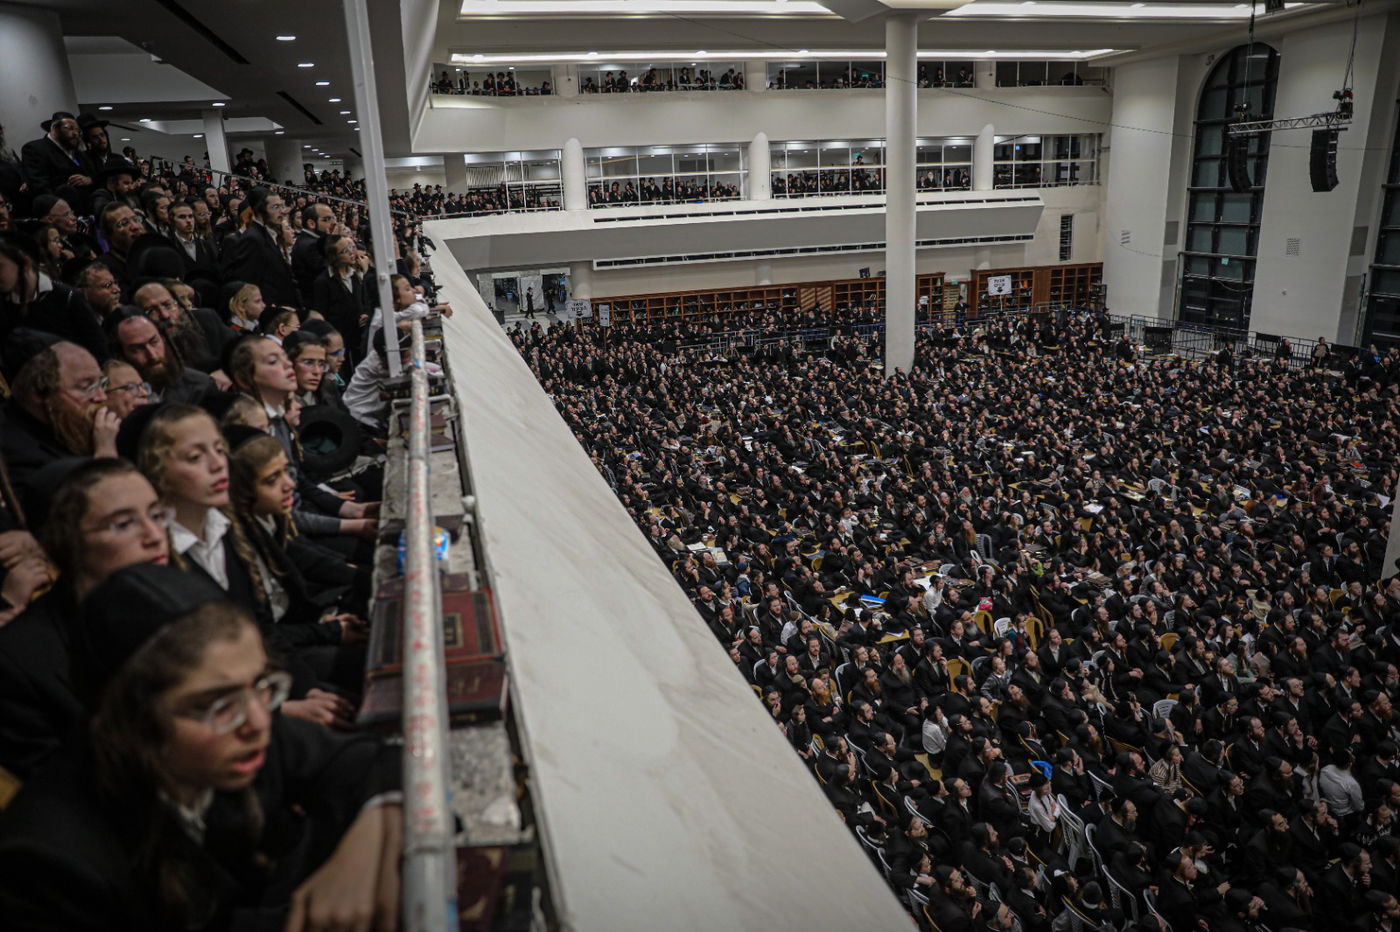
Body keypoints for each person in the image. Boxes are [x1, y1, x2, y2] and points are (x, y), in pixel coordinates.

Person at [0, 565, 403, 930]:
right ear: (127, 717)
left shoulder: (236, 724)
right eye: (218, 703)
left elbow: (372, 758)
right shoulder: (49, 864)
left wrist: (365, 847)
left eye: (262, 685)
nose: (260, 722)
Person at [220, 187, 299, 308]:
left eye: (281, 206)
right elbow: (249, 282)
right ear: (261, 211)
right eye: (275, 207)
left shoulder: (267, 234)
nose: (282, 212)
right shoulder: (252, 238)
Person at [18, 112, 91, 203]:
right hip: (58, 208)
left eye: (77, 130)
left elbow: (91, 173)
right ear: (54, 128)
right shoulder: (35, 148)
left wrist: (88, 180)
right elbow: (40, 185)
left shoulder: (77, 152)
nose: (75, 133)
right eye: (70, 128)